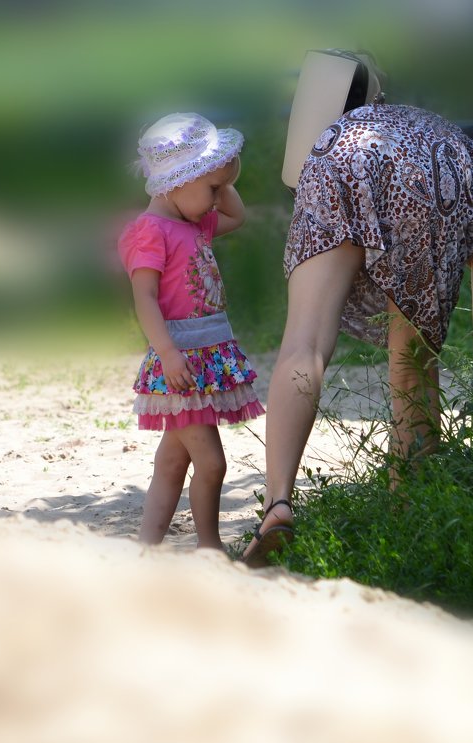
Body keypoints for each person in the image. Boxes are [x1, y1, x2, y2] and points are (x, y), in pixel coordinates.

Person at [241, 51, 473, 567]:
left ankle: (277, 503)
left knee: (303, 344)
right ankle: (408, 511)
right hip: (419, 175)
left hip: (335, 154)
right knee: (411, 362)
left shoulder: (412, 124)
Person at [117, 112, 265, 550]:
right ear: (177, 183)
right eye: (212, 189)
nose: (220, 200)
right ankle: (209, 547)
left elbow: (238, 217)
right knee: (212, 463)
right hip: (179, 363)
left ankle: (147, 546)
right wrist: (167, 352)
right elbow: (144, 298)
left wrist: (220, 176)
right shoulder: (150, 231)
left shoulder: (194, 220)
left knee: (172, 462)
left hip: (204, 356)